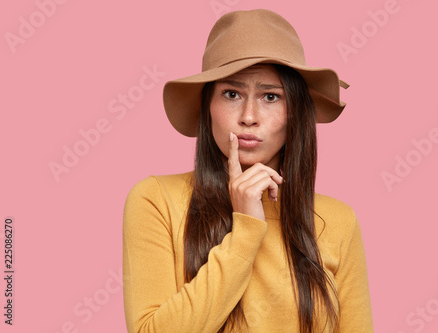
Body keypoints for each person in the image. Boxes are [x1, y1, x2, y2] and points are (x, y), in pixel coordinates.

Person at [123, 9, 373, 333]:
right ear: (206, 105)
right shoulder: (156, 200)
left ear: (294, 111)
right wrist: (246, 230)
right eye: (232, 94)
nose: (249, 116)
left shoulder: (337, 221)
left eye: (270, 96)